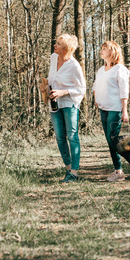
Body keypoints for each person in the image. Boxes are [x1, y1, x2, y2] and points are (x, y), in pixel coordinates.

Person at [93, 41, 130, 182]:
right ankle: (119, 172)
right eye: (102, 48)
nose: (101, 51)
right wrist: (96, 99)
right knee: (110, 142)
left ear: (113, 52)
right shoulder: (100, 70)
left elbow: (124, 91)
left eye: (105, 49)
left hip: (115, 109)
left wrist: (125, 111)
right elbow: (95, 86)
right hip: (103, 109)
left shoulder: (119, 69)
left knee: (114, 141)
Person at [41, 34, 86, 183]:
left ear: (66, 49)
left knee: (72, 136)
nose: (55, 45)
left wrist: (63, 92)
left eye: (58, 44)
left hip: (70, 104)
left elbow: (81, 88)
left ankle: (74, 172)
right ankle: (68, 169)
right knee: (60, 137)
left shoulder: (74, 66)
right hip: (54, 104)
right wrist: (45, 87)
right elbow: (52, 78)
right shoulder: (53, 58)